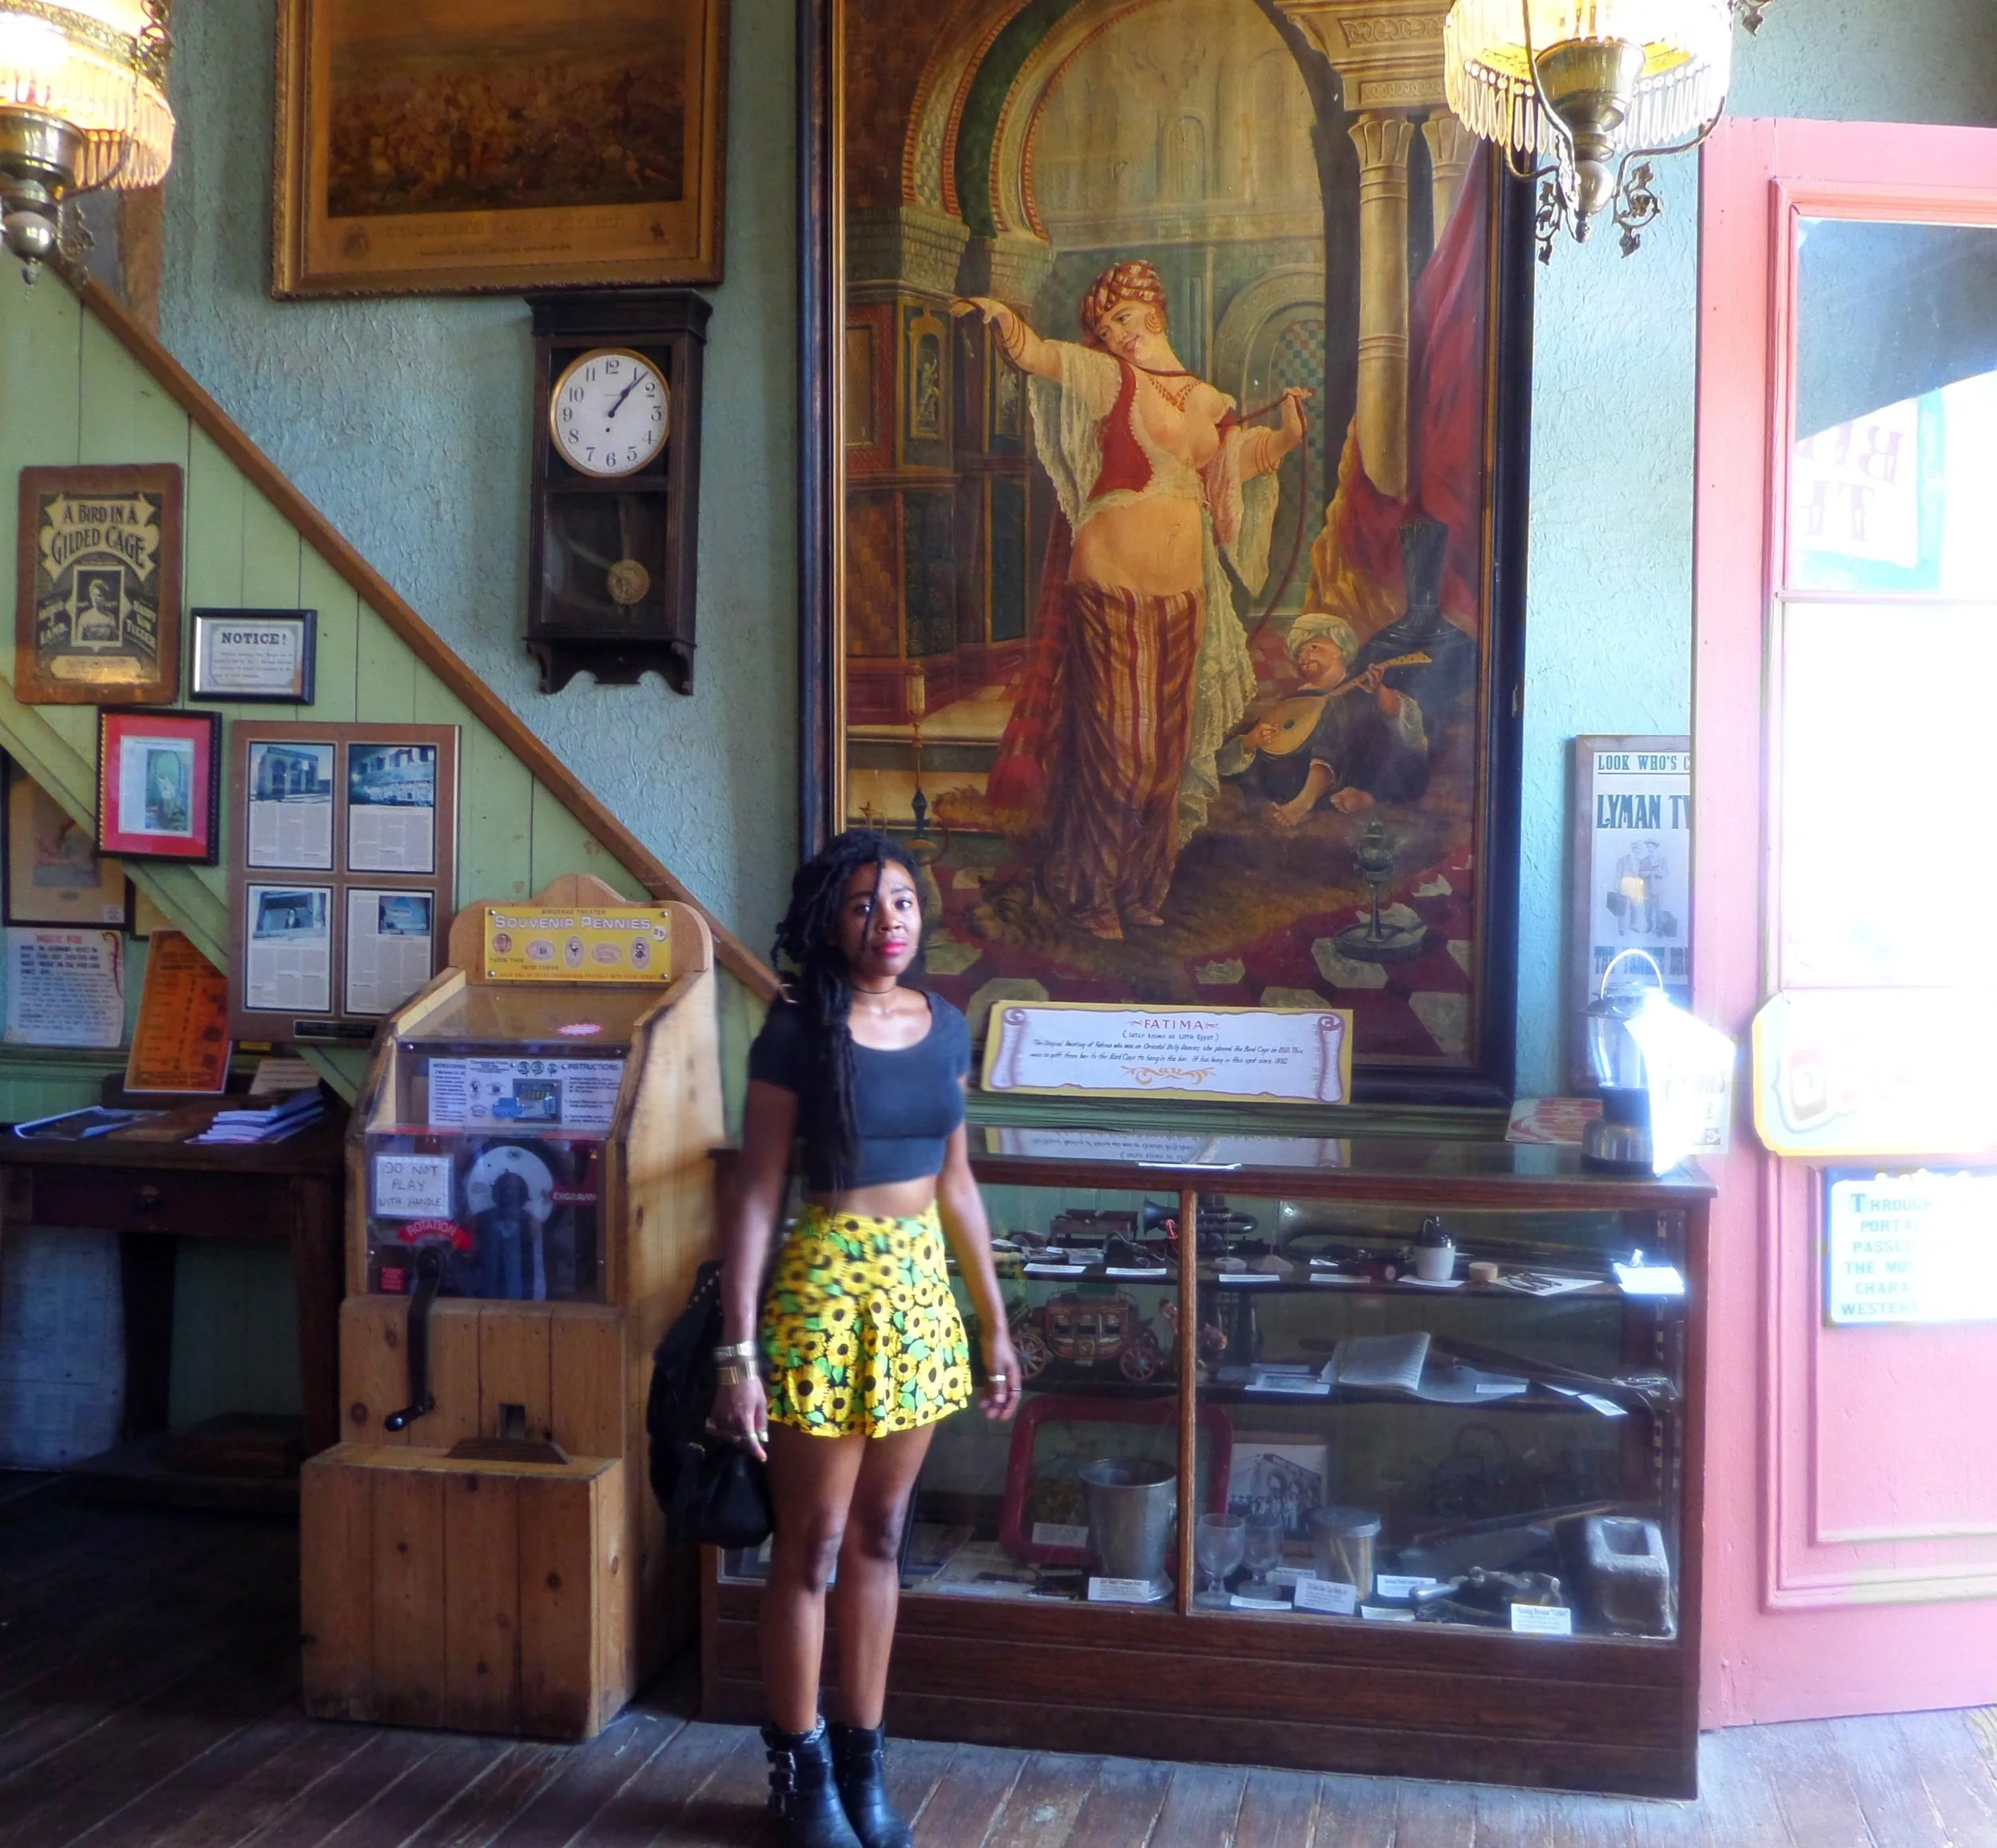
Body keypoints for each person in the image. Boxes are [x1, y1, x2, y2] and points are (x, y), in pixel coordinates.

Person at [712, 830, 1022, 1848]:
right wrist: (736, 1351)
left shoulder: (944, 1024)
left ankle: (863, 1757)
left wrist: (994, 1323)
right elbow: (757, 1189)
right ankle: (798, 1774)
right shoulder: (797, 1027)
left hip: (920, 1292)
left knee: (885, 1539)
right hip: (822, 1291)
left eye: (900, 903)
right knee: (812, 1545)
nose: (886, 923)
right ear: (825, 921)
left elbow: (957, 1183)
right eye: (861, 905)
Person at [956, 261, 1308, 939]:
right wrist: (1004, 321)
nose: (1113, 333)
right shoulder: (1108, 378)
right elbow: (1043, 356)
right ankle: (1089, 890)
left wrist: (1289, 435)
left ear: (1153, 308)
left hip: (1182, 596)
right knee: (1119, 745)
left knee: (1165, 754)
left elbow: (1242, 460)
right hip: (1110, 585)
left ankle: (1142, 890)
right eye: (1103, 325)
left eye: (1121, 317)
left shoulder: (1209, 399)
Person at [1223, 611, 1430, 825]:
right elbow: (1226, 754)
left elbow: (1410, 733)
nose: (1304, 655)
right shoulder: (1296, 700)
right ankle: (1335, 797)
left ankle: (1315, 802)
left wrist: (1380, 694)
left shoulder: (1364, 688)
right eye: (1299, 651)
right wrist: (1250, 743)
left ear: (1339, 649)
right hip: (1290, 780)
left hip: (1360, 767)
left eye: (1313, 646)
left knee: (1344, 704)